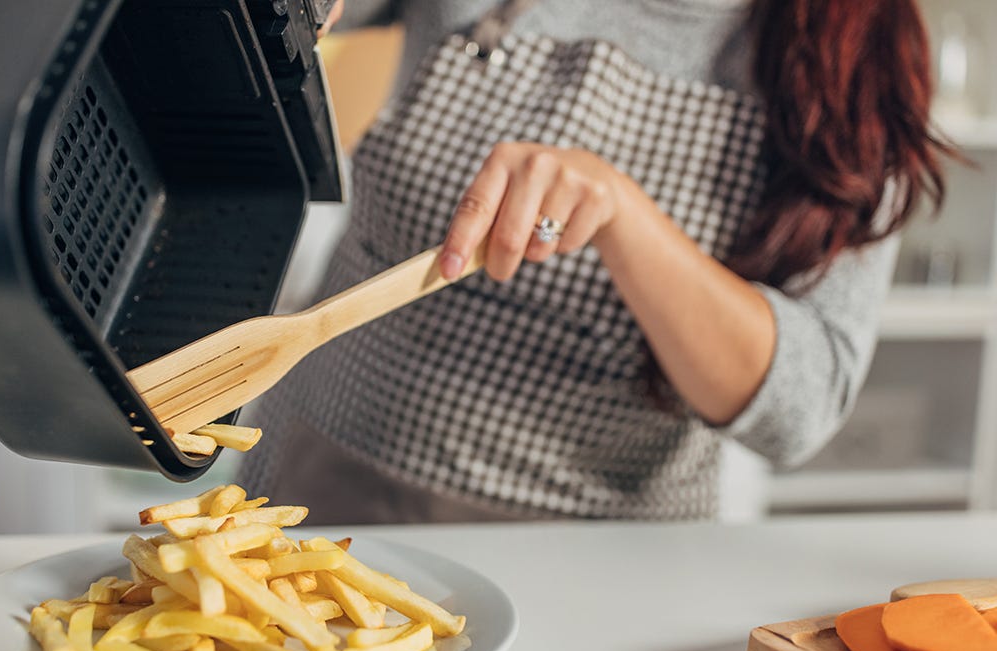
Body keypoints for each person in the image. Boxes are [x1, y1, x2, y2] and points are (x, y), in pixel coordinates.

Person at [238, 0, 952, 523]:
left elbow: (799, 411)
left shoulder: (861, 66)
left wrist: (623, 217)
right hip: (322, 486)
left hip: (596, 553)